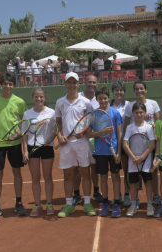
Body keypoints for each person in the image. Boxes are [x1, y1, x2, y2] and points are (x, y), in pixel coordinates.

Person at [0, 73, 28, 222]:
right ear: (0, 85)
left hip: (15, 144)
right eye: (5, 84)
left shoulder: (20, 102)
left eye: (10, 84)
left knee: (17, 173)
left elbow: (25, 123)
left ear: (14, 86)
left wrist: (19, 135)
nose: (8, 86)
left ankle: (19, 203)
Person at [55, 72, 97, 217]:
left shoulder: (86, 102)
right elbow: (57, 123)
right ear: (65, 84)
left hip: (82, 143)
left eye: (74, 83)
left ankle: (87, 203)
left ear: (78, 84)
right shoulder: (60, 102)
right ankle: (68, 205)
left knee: (85, 173)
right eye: (69, 82)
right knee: (68, 175)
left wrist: (84, 132)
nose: (72, 85)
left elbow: (89, 122)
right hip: (66, 145)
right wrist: (59, 137)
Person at [87, 87, 123, 218]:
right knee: (103, 177)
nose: (103, 100)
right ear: (97, 99)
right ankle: (106, 203)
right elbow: (89, 134)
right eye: (100, 98)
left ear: (109, 98)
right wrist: (102, 132)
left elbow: (119, 133)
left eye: (105, 98)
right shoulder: (94, 115)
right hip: (100, 152)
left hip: (113, 151)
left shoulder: (115, 113)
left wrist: (118, 151)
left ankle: (117, 202)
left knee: (115, 177)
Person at [124, 81, 161, 205]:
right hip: (135, 144)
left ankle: (155, 196)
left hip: (150, 142)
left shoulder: (153, 104)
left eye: (141, 88)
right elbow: (127, 124)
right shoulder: (130, 106)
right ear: (134, 91)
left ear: (146, 90)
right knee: (135, 173)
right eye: (136, 89)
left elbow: (159, 121)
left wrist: (153, 127)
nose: (139, 91)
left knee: (152, 171)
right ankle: (136, 199)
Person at [22, 88, 56, 217]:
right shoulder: (27, 114)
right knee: (35, 178)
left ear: (45, 97)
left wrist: (51, 138)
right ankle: (37, 204)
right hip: (32, 148)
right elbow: (24, 135)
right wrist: (25, 151)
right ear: (33, 98)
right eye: (36, 97)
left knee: (48, 177)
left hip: (47, 148)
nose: (39, 99)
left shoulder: (51, 113)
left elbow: (56, 129)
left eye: (41, 96)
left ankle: (49, 203)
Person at [123, 103, 156, 217]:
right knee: (133, 184)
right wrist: (133, 157)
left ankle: (149, 205)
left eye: (141, 112)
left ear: (145, 113)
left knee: (148, 183)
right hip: (133, 161)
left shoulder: (149, 127)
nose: (139, 114)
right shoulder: (129, 127)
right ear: (133, 113)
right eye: (136, 112)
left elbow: (152, 144)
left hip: (146, 161)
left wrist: (142, 157)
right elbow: (125, 144)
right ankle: (133, 205)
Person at [76, 75, 101, 204]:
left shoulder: (100, 99)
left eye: (94, 82)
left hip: (96, 138)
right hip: (80, 139)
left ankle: (96, 192)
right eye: (89, 82)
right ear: (84, 83)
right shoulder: (78, 97)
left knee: (94, 166)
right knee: (78, 167)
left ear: (97, 84)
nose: (91, 84)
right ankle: (76, 194)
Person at [110, 81, 131, 206]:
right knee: (115, 171)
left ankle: (127, 195)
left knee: (127, 169)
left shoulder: (128, 105)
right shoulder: (108, 106)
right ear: (113, 92)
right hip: (113, 144)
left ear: (124, 92)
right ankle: (118, 196)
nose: (119, 92)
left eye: (121, 90)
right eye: (116, 90)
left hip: (126, 143)